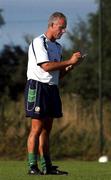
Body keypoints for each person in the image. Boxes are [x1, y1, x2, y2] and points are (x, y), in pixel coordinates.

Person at [25, 11, 83, 175]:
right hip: (38, 87)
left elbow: (57, 73)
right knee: (36, 128)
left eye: (65, 28)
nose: (63, 31)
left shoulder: (57, 47)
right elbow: (46, 66)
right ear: (52, 25)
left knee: (46, 130)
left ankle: (47, 166)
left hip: (52, 88)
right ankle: (32, 166)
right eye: (62, 27)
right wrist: (69, 61)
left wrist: (70, 67)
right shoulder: (39, 42)